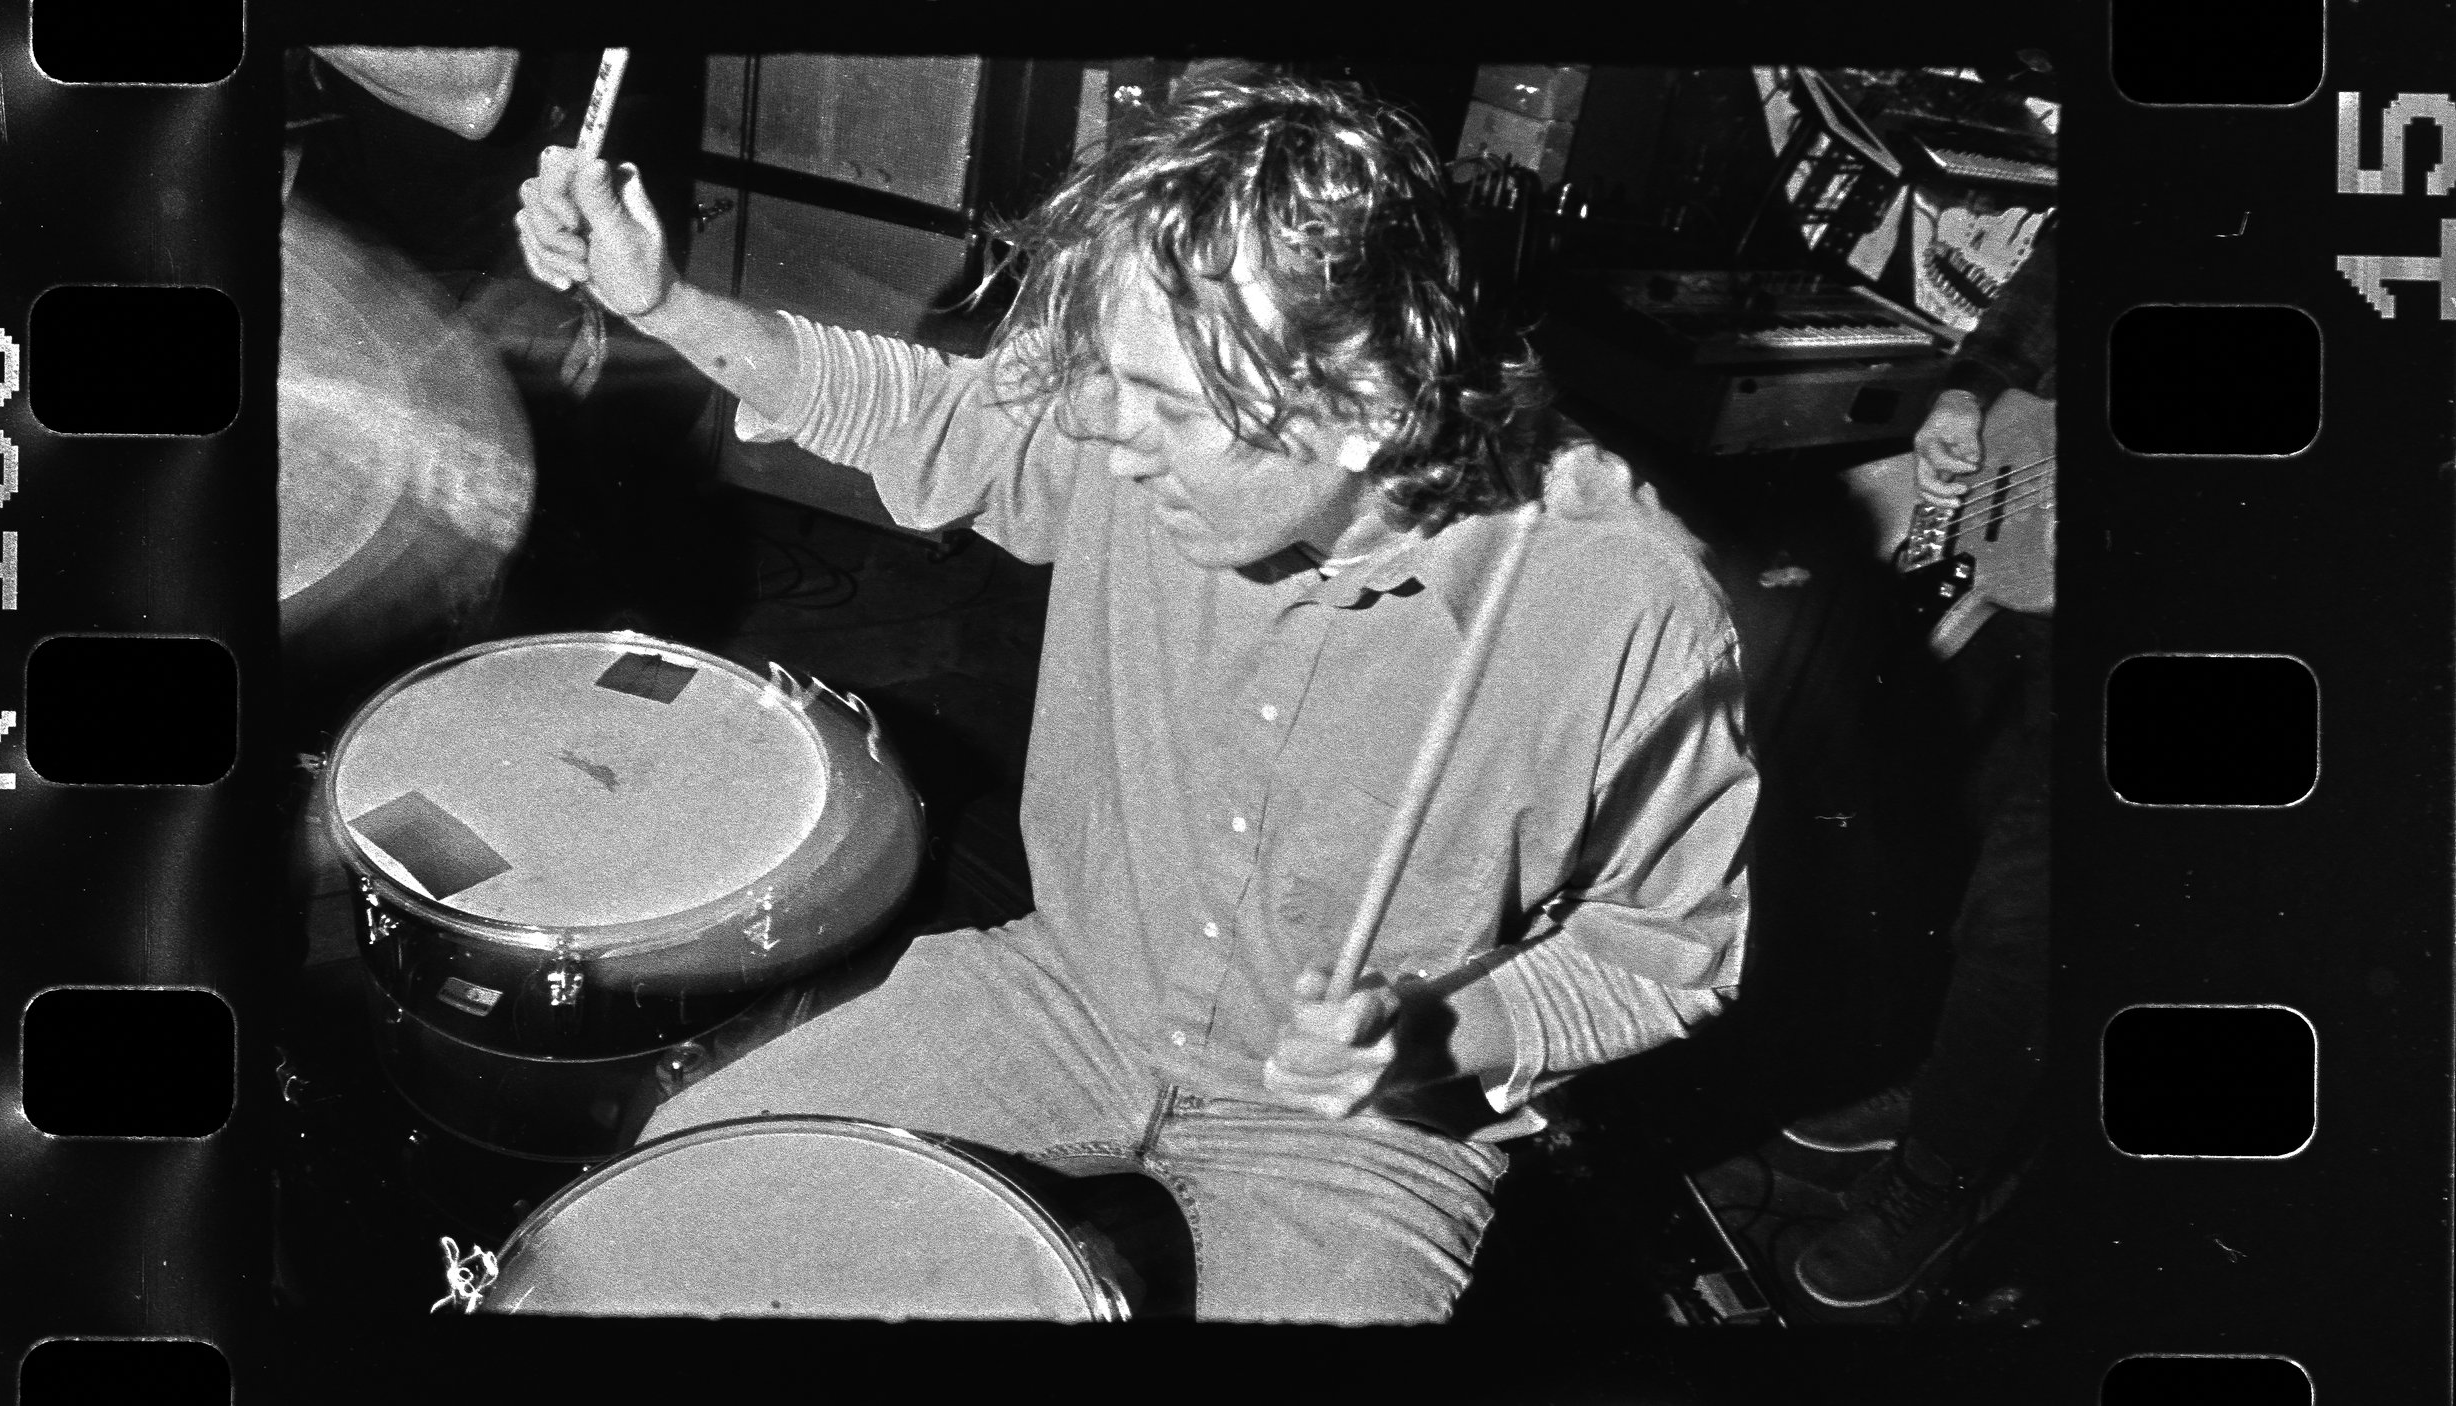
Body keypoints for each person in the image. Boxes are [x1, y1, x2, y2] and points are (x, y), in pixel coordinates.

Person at [516, 73, 1758, 1323]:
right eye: (1110, 379)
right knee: (674, 1178)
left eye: (1168, 406)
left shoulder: (1621, 605)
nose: (1110, 439)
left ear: (1368, 408)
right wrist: (663, 301)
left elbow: (1665, 955)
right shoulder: (1137, 422)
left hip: (1359, 1126)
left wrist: (1450, 1029)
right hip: (1075, 990)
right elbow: (929, 410)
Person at [1783, 218, 2056, 1311]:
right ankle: (1941, 1083)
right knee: (1938, 830)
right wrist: (1967, 393)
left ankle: (1940, 1179)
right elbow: (2047, 279)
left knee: (2027, 912)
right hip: (2030, 564)